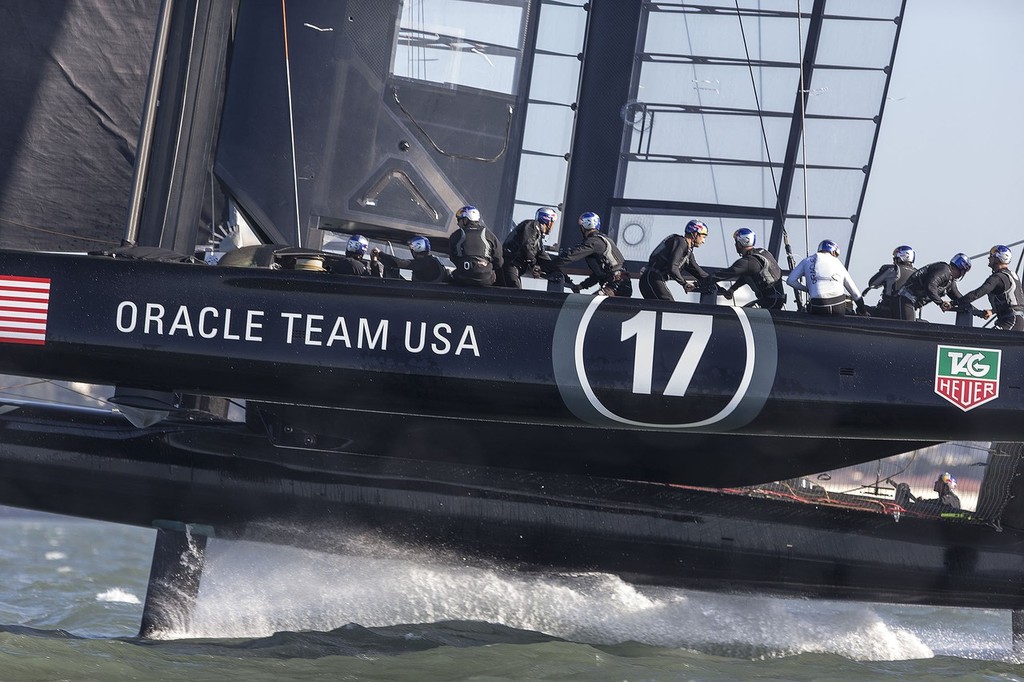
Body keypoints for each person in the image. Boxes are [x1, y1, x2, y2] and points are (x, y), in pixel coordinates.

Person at [551, 212, 632, 297]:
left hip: (615, 287)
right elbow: (600, 274)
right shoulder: (602, 240)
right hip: (620, 287)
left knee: (586, 306)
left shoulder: (593, 242)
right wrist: (582, 286)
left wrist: (549, 265)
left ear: (583, 227)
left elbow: (571, 256)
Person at [786, 239, 869, 316]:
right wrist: (863, 311)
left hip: (817, 306)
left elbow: (790, 280)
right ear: (833, 252)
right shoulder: (837, 263)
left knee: (810, 308)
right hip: (837, 306)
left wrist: (807, 289)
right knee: (849, 309)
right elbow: (855, 293)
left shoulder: (807, 260)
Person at [710, 228, 786, 309]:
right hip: (778, 300)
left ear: (740, 243)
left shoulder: (748, 262)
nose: (735, 245)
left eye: (736, 242)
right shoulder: (762, 252)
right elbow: (748, 276)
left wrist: (702, 281)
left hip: (770, 302)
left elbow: (724, 274)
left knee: (738, 317)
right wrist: (732, 289)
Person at [954, 245, 1024, 331]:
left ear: (998, 259)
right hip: (1015, 320)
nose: (989, 258)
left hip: (1011, 321)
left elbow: (977, 294)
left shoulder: (997, 278)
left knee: (983, 341)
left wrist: (953, 303)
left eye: (991, 256)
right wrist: (993, 311)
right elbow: (1010, 301)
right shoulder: (1012, 276)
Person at [639, 219, 711, 300]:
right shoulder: (681, 242)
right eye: (703, 236)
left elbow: (701, 274)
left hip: (651, 280)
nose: (703, 241)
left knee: (667, 308)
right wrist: (684, 283)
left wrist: (722, 290)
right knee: (669, 306)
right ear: (694, 234)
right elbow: (672, 268)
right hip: (651, 279)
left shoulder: (687, 254)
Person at [895, 253, 971, 321]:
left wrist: (979, 313)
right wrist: (940, 303)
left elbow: (960, 299)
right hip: (906, 300)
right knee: (910, 330)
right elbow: (930, 286)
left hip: (911, 303)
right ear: (962, 271)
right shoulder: (944, 271)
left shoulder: (950, 281)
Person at [500, 207, 557, 288]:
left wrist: (559, 272)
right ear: (548, 220)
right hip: (510, 263)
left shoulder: (538, 238)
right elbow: (527, 246)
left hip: (515, 267)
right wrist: (534, 265)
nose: (553, 226)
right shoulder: (532, 225)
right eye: (553, 222)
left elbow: (543, 256)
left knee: (514, 293)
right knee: (514, 294)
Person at [448, 205, 503, 287]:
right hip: (485, 279)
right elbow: (498, 260)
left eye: (460, 220)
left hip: (462, 278)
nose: (458, 223)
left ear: (466, 220)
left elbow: (453, 258)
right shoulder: (489, 234)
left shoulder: (456, 235)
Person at [863, 245, 916, 319]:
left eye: (895, 258)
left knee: (862, 309)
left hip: (886, 312)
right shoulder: (917, 273)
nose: (894, 261)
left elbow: (872, 283)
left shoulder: (892, 269)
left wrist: (882, 273)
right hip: (909, 315)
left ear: (902, 257)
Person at [376, 236, 450, 283]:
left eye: (412, 246)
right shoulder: (432, 261)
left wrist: (379, 253)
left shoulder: (426, 264)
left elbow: (399, 263)